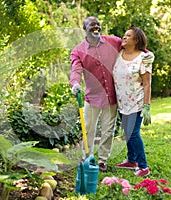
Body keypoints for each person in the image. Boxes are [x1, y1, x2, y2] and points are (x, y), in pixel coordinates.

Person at [69, 16, 122, 172]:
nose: (96, 27)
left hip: (111, 95)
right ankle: (87, 157)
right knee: (88, 129)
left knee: (108, 129)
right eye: (92, 25)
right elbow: (75, 70)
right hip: (92, 97)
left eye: (98, 24)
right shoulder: (78, 51)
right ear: (85, 29)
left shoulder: (113, 41)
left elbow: (131, 44)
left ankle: (102, 161)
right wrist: (75, 83)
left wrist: (145, 53)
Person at [112, 26, 154, 177]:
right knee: (127, 132)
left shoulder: (144, 58)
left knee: (133, 133)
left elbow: (147, 83)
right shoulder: (118, 54)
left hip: (137, 101)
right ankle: (131, 160)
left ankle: (143, 166)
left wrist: (147, 106)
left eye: (128, 35)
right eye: (124, 34)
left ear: (136, 40)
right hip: (122, 102)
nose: (124, 37)